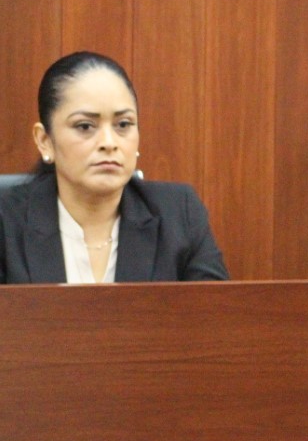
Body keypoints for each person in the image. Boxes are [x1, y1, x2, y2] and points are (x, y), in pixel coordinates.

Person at [0, 52, 229, 284]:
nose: (109, 143)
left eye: (123, 124)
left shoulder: (179, 213)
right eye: (85, 126)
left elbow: (215, 306)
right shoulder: (5, 222)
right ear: (44, 141)